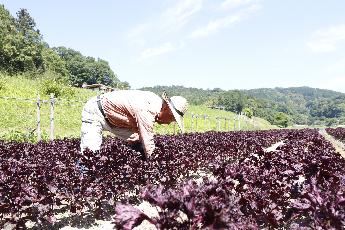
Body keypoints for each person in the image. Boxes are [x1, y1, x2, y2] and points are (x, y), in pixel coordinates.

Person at [80, 90, 188, 160]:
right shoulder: (148, 109)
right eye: (171, 118)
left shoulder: (155, 103)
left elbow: (141, 134)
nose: (169, 123)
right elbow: (148, 140)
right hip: (96, 112)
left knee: (137, 142)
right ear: (166, 109)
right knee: (90, 155)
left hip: (116, 119)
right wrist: (155, 163)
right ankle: (81, 187)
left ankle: (133, 164)